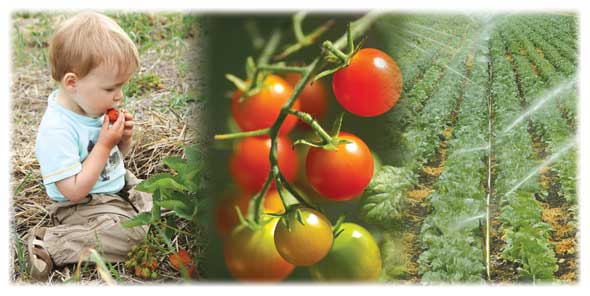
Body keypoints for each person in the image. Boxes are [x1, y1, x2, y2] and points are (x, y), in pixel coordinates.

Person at [29, 11, 152, 282]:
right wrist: (105, 146)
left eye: (122, 87)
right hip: (82, 205)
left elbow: (111, 163)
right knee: (134, 238)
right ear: (72, 83)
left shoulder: (90, 107)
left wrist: (122, 141)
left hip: (113, 188)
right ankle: (51, 243)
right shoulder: (56, 131)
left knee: (160, 200)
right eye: (111, 89)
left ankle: (131, 215)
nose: (119, 96)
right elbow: (74, 191)